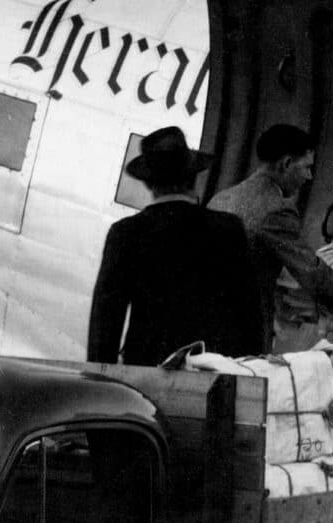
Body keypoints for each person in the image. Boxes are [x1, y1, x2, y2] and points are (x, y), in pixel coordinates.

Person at [86, 125, 264, 366]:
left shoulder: (126, 233)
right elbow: (250, 313)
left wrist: (101, 380)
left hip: (146, 370)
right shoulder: (228, 229)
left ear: (149, 184)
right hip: (212, 370)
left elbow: (106, 322)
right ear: (193, 177)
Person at [208, 123, 333, 351]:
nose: (309, 176)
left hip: (208, 323)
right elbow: (311, 272)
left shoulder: (221, 198)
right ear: (286, 164)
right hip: (244, 330)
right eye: (306, 167)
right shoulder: (275, 209)